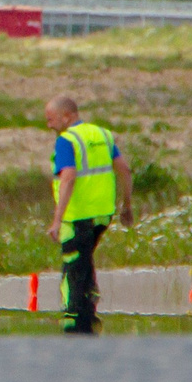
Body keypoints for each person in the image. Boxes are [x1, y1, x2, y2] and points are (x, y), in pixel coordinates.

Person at [45, 95, 132, 332]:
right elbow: (124, 168)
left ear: (68, 116)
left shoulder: (66, 140)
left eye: (51, 119)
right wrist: (127, 205)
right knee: (84, 259)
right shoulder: (102, 135)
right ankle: (90, 311)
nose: (49, 125)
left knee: (73, 264)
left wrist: (56, 220)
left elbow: (69, 177)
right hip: (103, 214)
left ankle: (74, 319)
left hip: (77, 215)